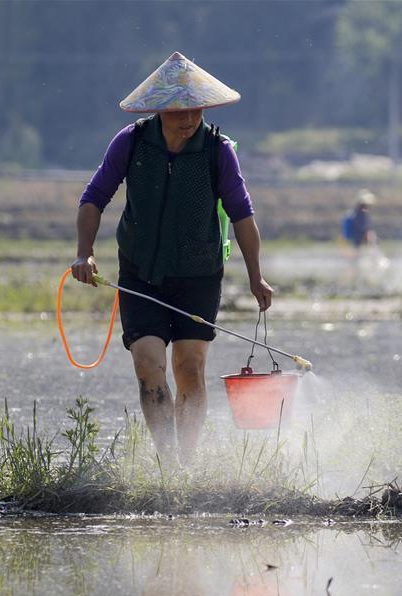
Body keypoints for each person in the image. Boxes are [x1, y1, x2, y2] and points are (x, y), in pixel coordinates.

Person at [71, 52, 273, 467]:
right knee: (148, 365)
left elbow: (243, 216)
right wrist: (84, 253)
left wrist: (256, 277)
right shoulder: (131, 142)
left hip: (199, 275)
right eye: (181, 111)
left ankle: (188, 463)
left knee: (189, 367)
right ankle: (166, 466)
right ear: (161, 109)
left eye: (197, 109)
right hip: (140, 273)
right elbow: (94, 198)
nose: (190, 119)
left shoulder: (218, 152)